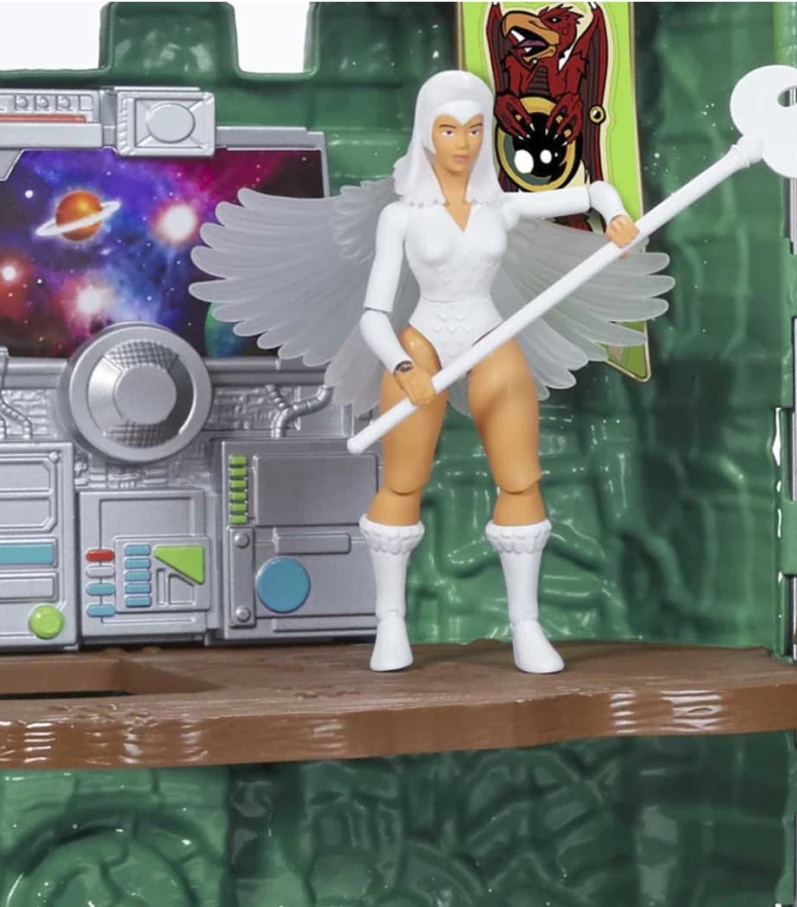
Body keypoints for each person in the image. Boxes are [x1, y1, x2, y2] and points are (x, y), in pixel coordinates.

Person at [191, 69, 671, 674]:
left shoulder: (503, 208)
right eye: (449, 129)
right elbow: (373, 314)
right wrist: (400, 363)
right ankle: (391, 623)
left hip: (490, 339)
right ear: (426, 134)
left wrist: (618, 219)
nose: (462, 142)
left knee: (521, 481)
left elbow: (595, 192)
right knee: (401, 483)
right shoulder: (401, 217)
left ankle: (526, 625)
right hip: (420, 344)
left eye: (474, 129)